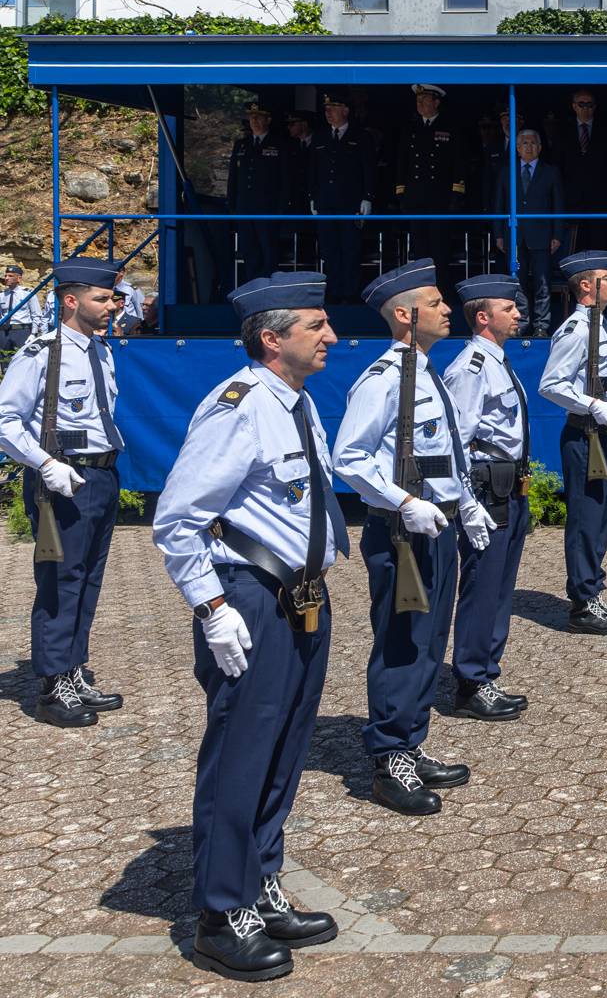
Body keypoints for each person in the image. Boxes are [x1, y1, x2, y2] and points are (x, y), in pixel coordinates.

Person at [150, 271, 346, 983]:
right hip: (250, 601)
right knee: (240, 754)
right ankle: (218, 912)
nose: (331, 335)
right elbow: (176, 518)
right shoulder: (239, 406)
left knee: (282, 751)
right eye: (316, 326)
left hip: (300, 597)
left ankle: (259, 884)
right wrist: (212, 607)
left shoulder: (294, 402)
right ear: (272, 338)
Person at [332, 259, 496, 816]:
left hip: (437, 526)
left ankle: (410, 739)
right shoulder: (384, 378)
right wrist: (404, 502)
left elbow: (445, 455)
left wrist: (466, 505)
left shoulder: (426, 372)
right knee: (403, 641)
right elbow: (348, 457)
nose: (449, 308)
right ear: (405, 315)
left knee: (430, 641)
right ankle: (389, 758)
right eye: (436, 300)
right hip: (403, 532)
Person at [0, 258, 128, 727]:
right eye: (102, 298)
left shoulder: (101, 350)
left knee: (88, 579)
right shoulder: (43, 351)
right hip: (62, 480)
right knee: (60, 581)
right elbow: (5, 420)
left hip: (101, 477)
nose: (112, 305)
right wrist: (45, 464)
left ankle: (73, 671)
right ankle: (52, 686)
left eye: (113, 297)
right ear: (71, 301)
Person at [442, 274, 534, 722]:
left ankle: (486, 673)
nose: (518, 314)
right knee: (483, 586)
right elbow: (456, 442)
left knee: (500, 585)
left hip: (510, 482)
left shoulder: (496, 361)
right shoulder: (470, 368)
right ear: (483, 317)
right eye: (509, 308)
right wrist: (466, 502)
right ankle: (471, 681)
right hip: (487, 487)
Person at [539, 249, 607, 635]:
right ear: (586, 285)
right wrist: (594, 405)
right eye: (606, 277)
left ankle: (593, 591)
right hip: (587, 436)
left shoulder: (600, 324)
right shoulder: (577, 329)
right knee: (586, 518)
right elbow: (551, 385)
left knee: (602, 517)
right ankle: (582, 602)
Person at [493, 130, 564, 337]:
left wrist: (557, 235)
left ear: (540, 147)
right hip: (514, 236)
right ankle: (521, 323)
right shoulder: (507, 172)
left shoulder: (550, 172)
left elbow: (558, 206)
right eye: (524, 143)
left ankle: (542, 325)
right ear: (517, 148)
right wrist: (498, 233)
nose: (528, 146)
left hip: (542, 235)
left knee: (542, 282)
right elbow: (499, 205)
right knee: (518, 281)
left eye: (533, 142)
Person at [394, 84, 469, 279]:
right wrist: (401, 192)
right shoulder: (409, 127)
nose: (419, 104)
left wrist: (456, 193)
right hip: (416, 198)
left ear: (436, 102)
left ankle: (441, 289)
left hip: (440, 199)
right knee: (419, 249)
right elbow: (402, 163)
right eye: (418, 100)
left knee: (439, 248)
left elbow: (459, 163)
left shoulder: (450, 127)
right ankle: (422, 290)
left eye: (424, 99)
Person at [307, 92, 374, 303]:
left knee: (350, 248)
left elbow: (369, 169)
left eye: (333, 107)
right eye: (326, 108)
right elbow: (312, 170)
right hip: (325, 202)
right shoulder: (319, 137)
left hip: (351, 203)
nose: (328, 112)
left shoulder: (361, 136)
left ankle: (350, 293)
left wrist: (367, 197)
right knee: (329, 249)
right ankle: (334, 291)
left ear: (345, 110)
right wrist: (312, 197)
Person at [228, 103, 292, 281]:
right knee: (249, 251)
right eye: (251, 117)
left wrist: (280, 207)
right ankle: (252, 288)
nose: (254, 121)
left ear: (268, 120)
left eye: (259, 117)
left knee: (268, 251)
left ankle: (269, 289)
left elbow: (285, 179)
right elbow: (234, 177)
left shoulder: (279, 144)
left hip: (268, 208)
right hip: (245, 208)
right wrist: (232, 203)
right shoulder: (241, 145)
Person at [558, 88, 607, 255]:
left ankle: (600, 279)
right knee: (573, 244)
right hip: (572, 199)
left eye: (589, 104)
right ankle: (575, 280)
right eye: (581, 104)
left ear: (595, 107)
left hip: (600, 199)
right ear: (574, 106)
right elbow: (557, 167)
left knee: (599, 243)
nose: (585, 108)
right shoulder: (563, 131)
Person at [2, 263, 38, 349]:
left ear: (19, 278)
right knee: (4, 359)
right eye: (6, 275)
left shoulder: (28, 294)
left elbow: (36, 315)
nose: (6, 278)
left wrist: (33, 333)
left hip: (22, 331)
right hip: (3, 332)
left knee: (22, 359)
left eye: (10, 276)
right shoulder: (2, 295)